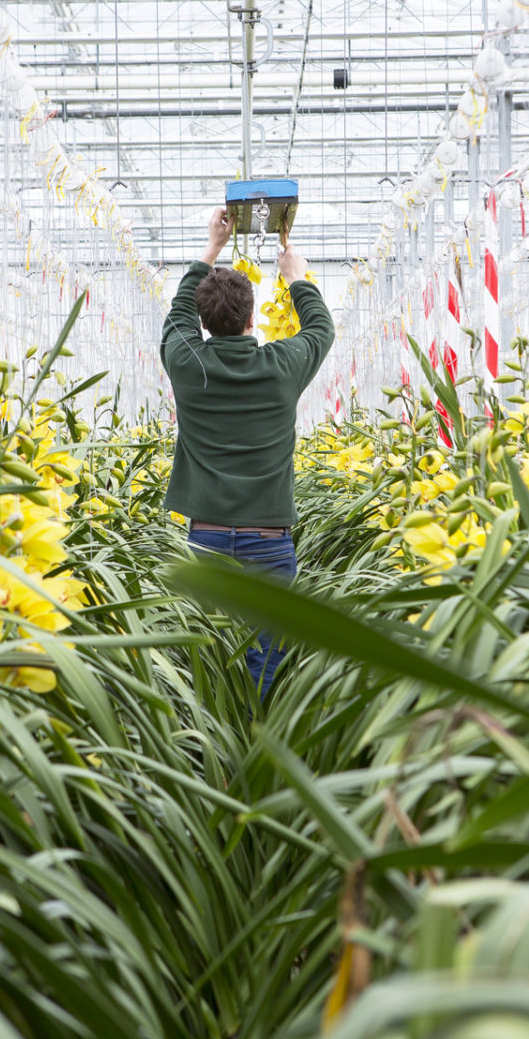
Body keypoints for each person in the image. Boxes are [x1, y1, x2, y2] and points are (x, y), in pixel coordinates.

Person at [162, 205, 335, 699]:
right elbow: (320, 330)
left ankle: (208, 764)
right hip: (269, 544)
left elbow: (177, 315)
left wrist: (211, 248)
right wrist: (296, 276)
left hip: (205, 542)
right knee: (265, 666)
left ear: (203, 320)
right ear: (252, 317)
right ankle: (258, 758)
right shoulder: (281, 367)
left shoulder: (186, 363)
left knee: (206, 664)